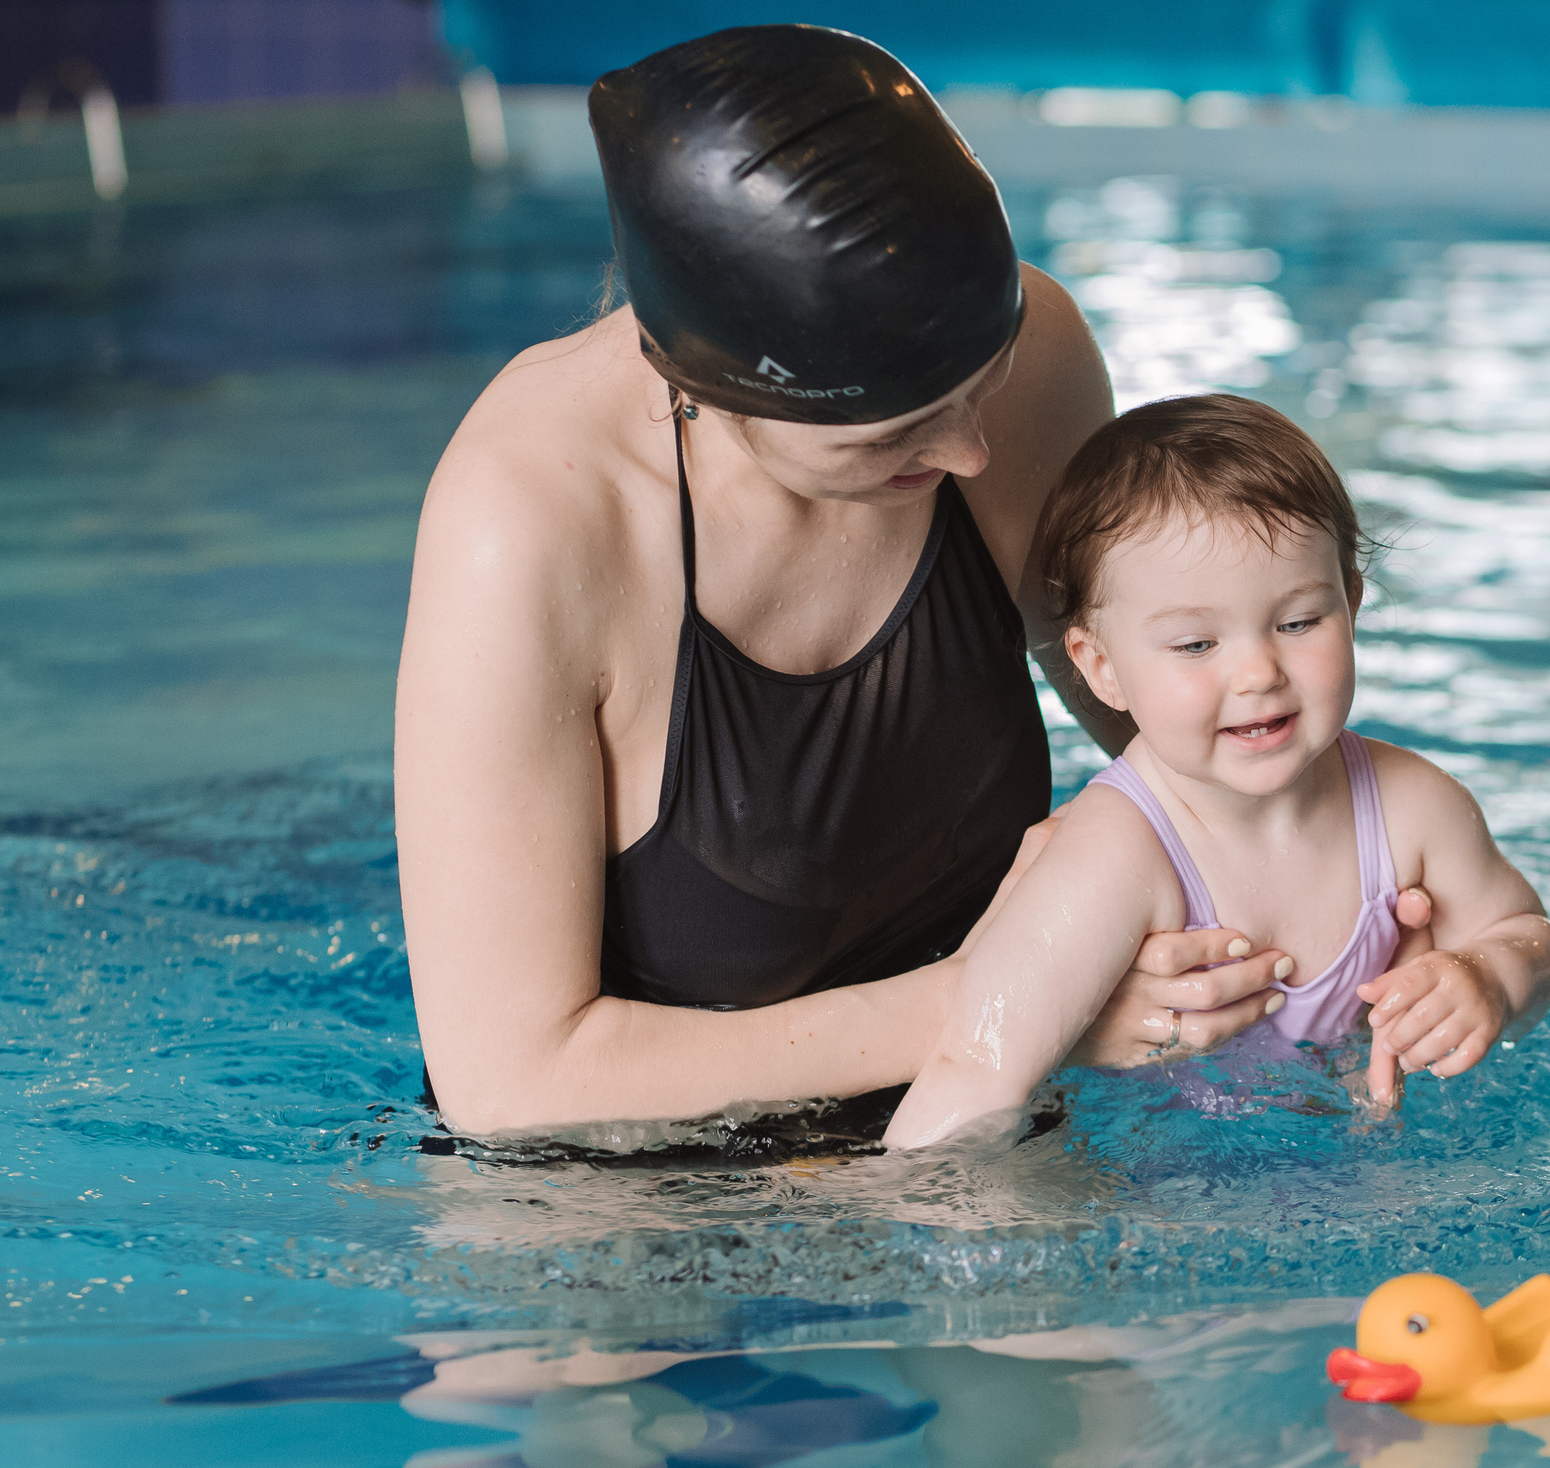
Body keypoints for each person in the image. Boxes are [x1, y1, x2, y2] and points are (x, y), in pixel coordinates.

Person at [395, 27, 1323, 1136]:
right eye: (898, 437)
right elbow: (510, 1089)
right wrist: (1016, 1001)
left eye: (984, 383)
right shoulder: (533, 519)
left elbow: (1202, 744)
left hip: (980, 1088)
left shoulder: (1030, 374)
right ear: (714, 390)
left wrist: (1402, 911)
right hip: (617, 1190)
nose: (976, 454)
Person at [883, 395, 1550, 1150]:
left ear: (1353, 601)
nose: (1258, 672)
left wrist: (1490, 978)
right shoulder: (1116, 852)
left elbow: (1526, 933)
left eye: (1298, 622)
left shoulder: (1413, 808)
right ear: (1102, 668)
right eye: (1195, 645)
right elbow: (979, 1066)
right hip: (1146, 1185)